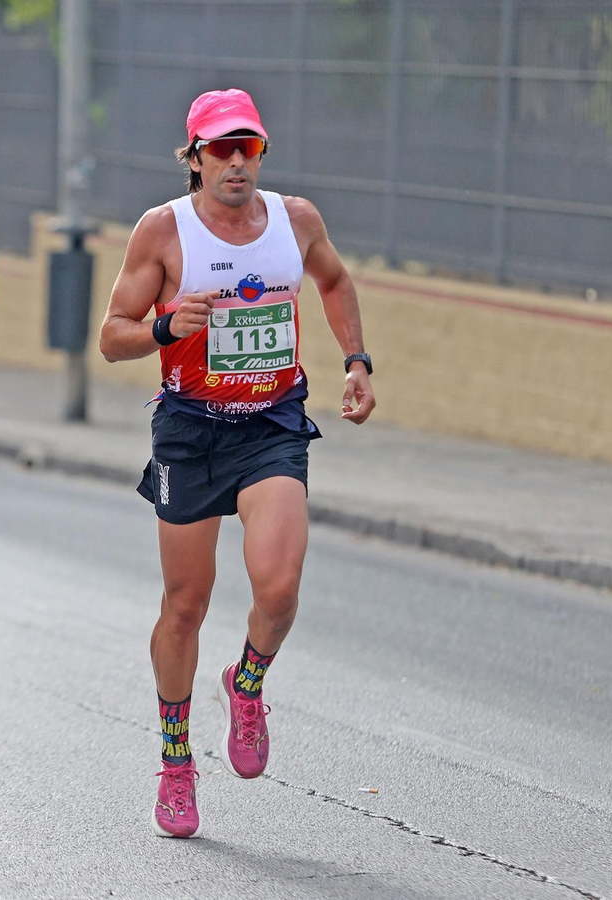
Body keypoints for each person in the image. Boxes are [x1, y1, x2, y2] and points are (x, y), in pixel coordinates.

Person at [98, 89, 377, 838]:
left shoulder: (297, 221)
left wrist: (356, 362)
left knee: (279, 589)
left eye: (246, 148)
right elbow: (111, 335)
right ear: (192, 158)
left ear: (261, 155)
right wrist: (163, 326)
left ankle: (246, 684)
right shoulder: (164, 231)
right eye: (219, 149)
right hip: (190, 429)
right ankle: (176, 761)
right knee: (186, 605)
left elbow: (336, 282)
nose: (234, 162)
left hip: (272, 424)